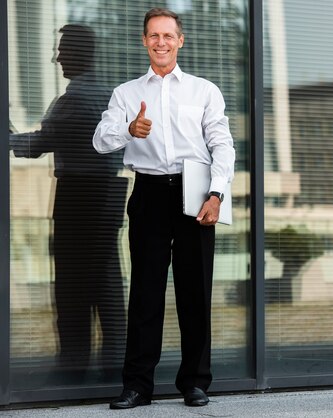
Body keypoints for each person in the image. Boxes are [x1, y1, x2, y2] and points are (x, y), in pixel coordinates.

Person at [92, 8, 235, 409]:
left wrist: (216, 194)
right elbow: (100, 141)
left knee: (195, 291)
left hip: (195, 193)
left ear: (180, 40)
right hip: (149, 193)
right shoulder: (125, 94)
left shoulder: (204, 91)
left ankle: (194, 382)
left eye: (168, 36)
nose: (161, 42)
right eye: (153, 35)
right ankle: (138, 386)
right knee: (145, 293)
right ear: (144, 41)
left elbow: (222, 145)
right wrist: (128, 130)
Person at [10, 24, 127, 383]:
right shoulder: (108, 95)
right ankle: (115, 365)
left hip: (80, 197)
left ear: (80, 53)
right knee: (107, 286)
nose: (56, 56)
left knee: (73, 289)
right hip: (107, 195)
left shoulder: (74, 99)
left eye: (63, 49)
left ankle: (73, 368)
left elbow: (34, 146)